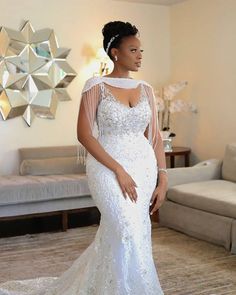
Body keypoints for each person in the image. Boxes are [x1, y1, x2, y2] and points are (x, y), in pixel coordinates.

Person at [0, 21, 167, 295]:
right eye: (133, 49)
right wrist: (118, 170)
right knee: (123, 227)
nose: (139, 55)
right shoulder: (96, 85)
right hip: (107, 166)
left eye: (141, 50)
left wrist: (163, 179)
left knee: (135, 232)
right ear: (115, 52)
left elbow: (156, 138)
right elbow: (85, 135)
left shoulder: (146, 88)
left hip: (143, 168)